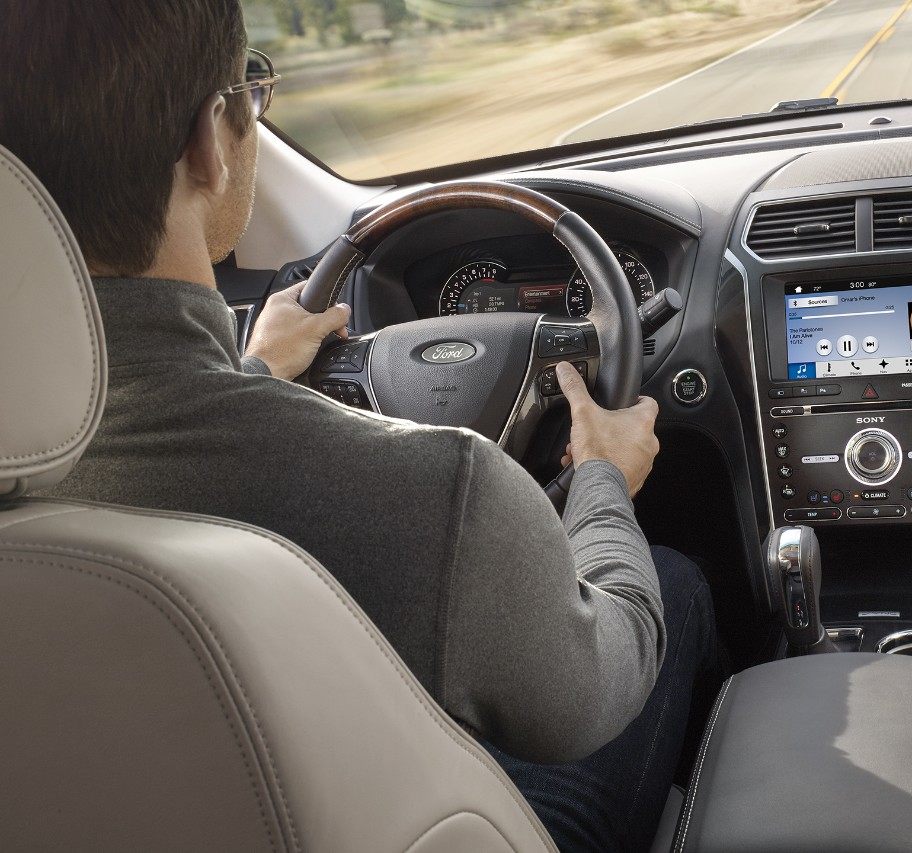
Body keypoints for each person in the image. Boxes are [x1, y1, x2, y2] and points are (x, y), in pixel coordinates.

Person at [0, 2, 718, 850]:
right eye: (251, 94)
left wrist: (251, 369)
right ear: (211, 140)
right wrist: (602, 477)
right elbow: (596, 689)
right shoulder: (443, 492)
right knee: (667, 585)